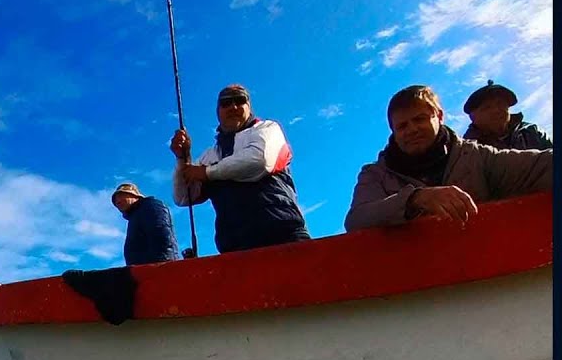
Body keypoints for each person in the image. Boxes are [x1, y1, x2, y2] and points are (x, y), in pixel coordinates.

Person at [344, 84, 553, 231]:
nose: (412, 129)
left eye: (420, 119)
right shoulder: (375, 174)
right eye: (402, 126)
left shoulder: (476, 156)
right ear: (393, 130)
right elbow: (357, 219)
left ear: (440, 116)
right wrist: (415, 199)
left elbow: (541, 166)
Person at [170, 84, 310, 253]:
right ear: (218, 111)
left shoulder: (268, 129)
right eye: (226, 103)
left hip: (283, 234)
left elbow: (260, 160)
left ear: (249, 106)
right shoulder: (210, 155)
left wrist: (207, 173)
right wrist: (182, 159)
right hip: (235, 247)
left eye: (239, 100)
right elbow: (183, 197)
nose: (233, 107)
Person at [462, 80, 552, 150]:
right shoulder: (467, 149)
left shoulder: (531, 131)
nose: (496, 110)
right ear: (473, 117)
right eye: (487, 107)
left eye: (500, 104)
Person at [111, 182, 178, 265]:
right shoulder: (135, 216)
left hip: (155, 269)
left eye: (121, 196)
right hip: (141, 270)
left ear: (135, 195)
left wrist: (162, 266)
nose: (118, 201)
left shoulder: (150, 206)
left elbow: (162, 236)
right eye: (116, 201)